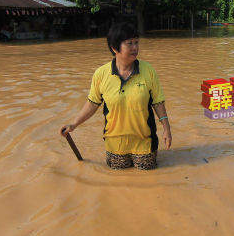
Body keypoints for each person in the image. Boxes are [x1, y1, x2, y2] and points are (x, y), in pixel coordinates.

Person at [60, 22, 172, 170]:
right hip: (114, 144)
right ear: (114, 48)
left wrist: (167, 128)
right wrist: (73, 124)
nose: (135, 48)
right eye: (129, 43)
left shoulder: (148, 71)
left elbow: (158, 103)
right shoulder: (101, 74)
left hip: (144, 143)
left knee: (148, 178)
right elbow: (93, 103)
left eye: (136, 42)